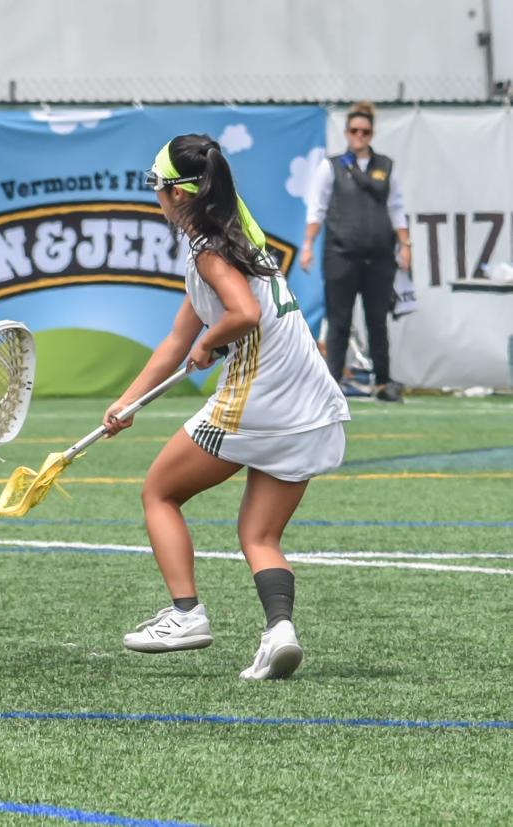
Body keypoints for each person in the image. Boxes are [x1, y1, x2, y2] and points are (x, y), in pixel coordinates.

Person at [110, 135, 349, 680]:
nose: (155, 195)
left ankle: (186, 614)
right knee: (259, 535)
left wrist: (211, 342)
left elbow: (240, 313)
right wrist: (125, 404)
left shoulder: (209, 251)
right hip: (311, 404)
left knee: (159, 492)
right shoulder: (238, 238)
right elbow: (177, 337)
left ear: (177, 195)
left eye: (156, 185)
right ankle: (279, 632)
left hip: (259, 400)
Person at [300, 101, 411, 403]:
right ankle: (332, 381)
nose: (359, 135)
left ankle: (382, 382)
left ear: (371, 133)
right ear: (347, 132)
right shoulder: (332, 166)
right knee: (339, 320)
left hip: (379, 256)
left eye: (365, 131)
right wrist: (308, 244)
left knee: (377, 319)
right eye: (354, 130)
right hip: (341, 254)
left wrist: (406, 244)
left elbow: (397, 208)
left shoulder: (385, 166)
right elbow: (317, 208)